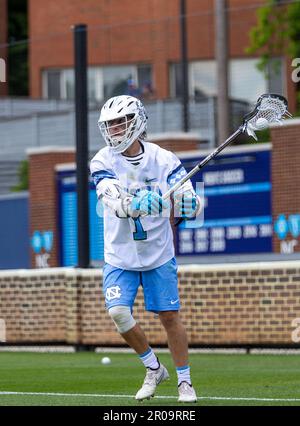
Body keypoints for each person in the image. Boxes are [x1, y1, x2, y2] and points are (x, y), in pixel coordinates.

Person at [90, 95, 202, 403]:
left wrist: (188, 204)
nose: (113, 130)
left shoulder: (164, 159)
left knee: (169, 317)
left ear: (136, 122)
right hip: (119, 256)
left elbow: (186, 200)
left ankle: (185, 382)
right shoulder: (102, 160)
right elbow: (111, 197)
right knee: (118, 313)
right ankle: (153, 367)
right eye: (109, 124)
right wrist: (133, 204)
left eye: (119, 123)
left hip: (158, 254)